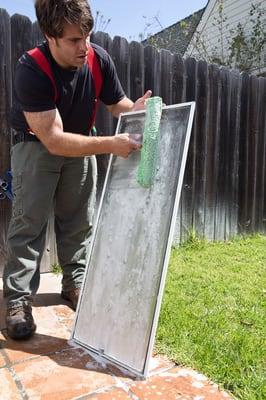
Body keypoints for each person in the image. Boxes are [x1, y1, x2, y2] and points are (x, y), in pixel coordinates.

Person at [3, 0, 152, 340]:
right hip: (35, 147)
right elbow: (53, 139)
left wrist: (136, 108)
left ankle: (74, 284)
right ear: (49, 35)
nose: (83, 47)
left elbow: (118, 105)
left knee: (78, 221)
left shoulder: (99, 59)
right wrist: (111, 144)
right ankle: (17, 300)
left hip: (82, 145)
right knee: (29, 225)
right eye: (73, 40)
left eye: (87, 36)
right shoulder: (32, 68)